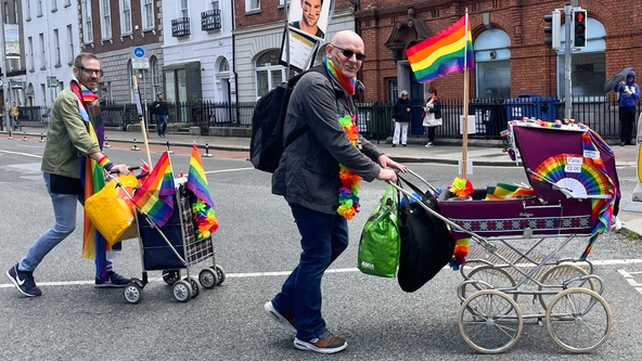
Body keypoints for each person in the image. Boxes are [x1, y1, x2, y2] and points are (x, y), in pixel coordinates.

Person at [265, 30, 406, 354]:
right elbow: (336, 141)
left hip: (325, 180)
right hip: (306, 180)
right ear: (330, 51)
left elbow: (350, 131)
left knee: (336, 242)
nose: (354, 60)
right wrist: (375, 172)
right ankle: (309, 331)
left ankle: (285, 304)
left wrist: (377, 154)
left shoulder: (341, 86)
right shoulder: (315, 85)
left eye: (360, 56)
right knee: (316, 252)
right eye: (347, 53)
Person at [5, 53, 131, 297]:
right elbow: (80, 138)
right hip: (61, 170)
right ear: (76, 72)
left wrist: (100, 166)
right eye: (89, 71)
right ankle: (22, 269)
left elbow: (95, 137)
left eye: (97, 72)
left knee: (104, 217)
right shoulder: (68, 99)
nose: (94, 75)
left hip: (85, 170)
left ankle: (104, 273)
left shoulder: (92, 100)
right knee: (64, 226)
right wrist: (107, 164)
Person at [614, 70, 640, 146]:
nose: (630, 78)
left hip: (632, 107)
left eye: (632, 77)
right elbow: (616, 90)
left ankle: (629, 139)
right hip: (623, 107)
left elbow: (638, 95)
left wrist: (631, 93)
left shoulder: (636, 86)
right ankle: (623, 139)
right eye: (629, 77)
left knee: (630, 124)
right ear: (627, 77)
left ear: (634, 78)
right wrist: (616, 82)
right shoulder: (622, 84)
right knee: (624, 124)